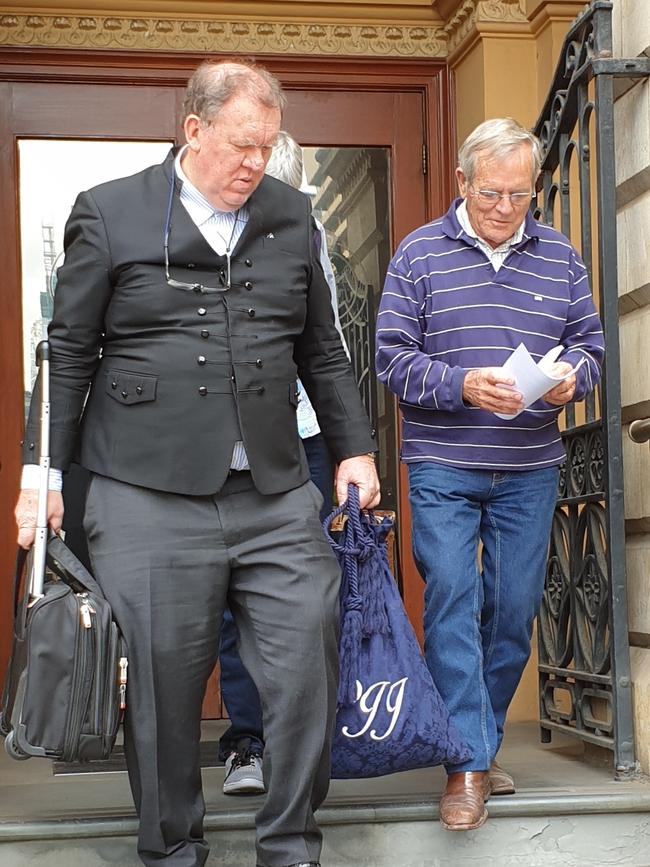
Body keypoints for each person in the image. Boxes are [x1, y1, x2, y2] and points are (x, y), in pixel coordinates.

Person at [15, 58, 380, 867]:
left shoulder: (291, 214)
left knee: (306, 662)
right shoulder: (110, 212)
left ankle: (290, 845)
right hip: (145, 490)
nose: (254, 163)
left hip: (275, 489)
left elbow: (322, 350)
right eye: (240, 146)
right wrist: (40, 475)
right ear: (194, 130)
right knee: (160, 691)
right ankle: (174, 850)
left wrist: (355, 447)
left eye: (267, 146)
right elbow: (67, 351)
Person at [376, 117, 604, 832]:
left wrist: (573, 380)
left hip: (530, 465)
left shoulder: (561, 256)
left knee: (511, 614)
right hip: (443, 462)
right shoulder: (418, 254)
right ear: (462, 183)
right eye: (491, 193)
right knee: (450, 599)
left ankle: (473, 734)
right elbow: (390, 358)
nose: (506, 208)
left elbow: (591, 345)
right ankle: (468, 765)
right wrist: (463, 384)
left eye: (519, 194)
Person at [217, 129, 348, 796]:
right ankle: (247, 742)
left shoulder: (311, 240)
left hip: (300, 441)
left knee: (304, 601)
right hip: (213, 449)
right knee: (227, 601)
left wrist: (350, 447)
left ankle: (303, 749)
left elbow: (331, 352)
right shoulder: (191, 235)